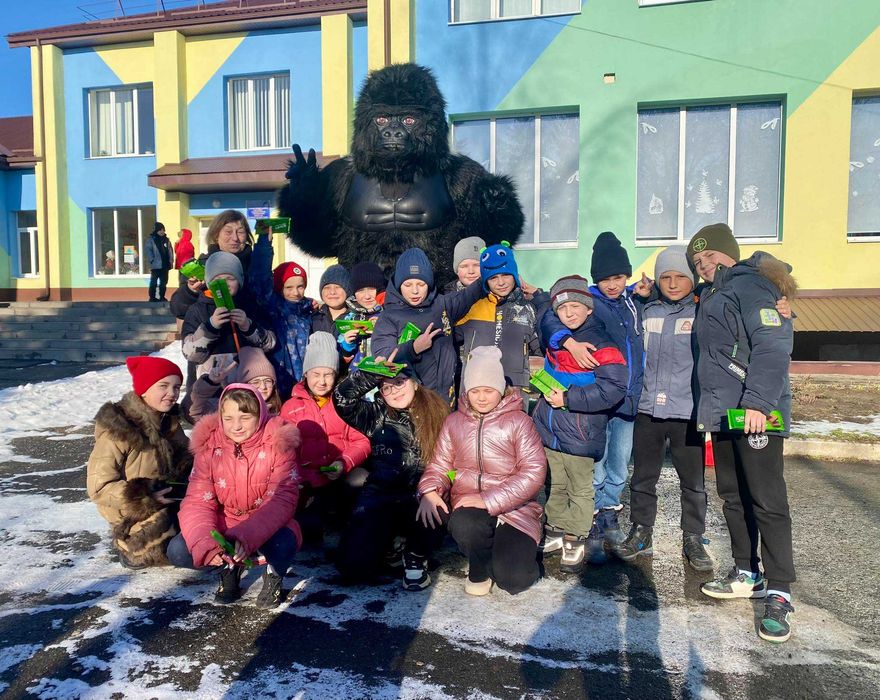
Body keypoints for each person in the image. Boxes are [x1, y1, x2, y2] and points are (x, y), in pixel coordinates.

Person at [686, 223, 798, 643]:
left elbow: (771, 342)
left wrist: (757, 402)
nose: (703, 265)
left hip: (756, 413)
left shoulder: (749, 284)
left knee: (767, 501)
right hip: (727, 413)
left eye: (710, 256)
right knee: (732, 496)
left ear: (728, 254)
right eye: (697, 262)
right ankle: (747, 571)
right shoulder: (713, 293)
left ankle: (780, 590)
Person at [609, 247, 712, 571]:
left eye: (680, 277)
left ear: (691, 279)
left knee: (692, 482)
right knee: (642, 478)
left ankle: (693, 538)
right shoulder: (646, 310)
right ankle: (642, 533)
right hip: (648, 409)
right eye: (665, 277)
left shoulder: (701, 312)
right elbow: (616, 308)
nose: (672, 283)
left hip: (688, 412)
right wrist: (635, 294)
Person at [541, 231, 644, 548]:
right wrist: (568, 341)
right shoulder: (589, 303)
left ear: (626, 276)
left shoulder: (634, 301)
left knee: (618, 463)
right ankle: (592, 518)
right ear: (594, 280)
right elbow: (549, 316)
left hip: (626, 398)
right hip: (596, 399)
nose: (612, 284)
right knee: (594, 465)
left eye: (618, 277)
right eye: (604, 278)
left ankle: (609, 511)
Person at [418, 346, 547, 595]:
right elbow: (441, 465)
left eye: (488, 390)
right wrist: (429, 490)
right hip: (469, 508)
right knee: (465, 524)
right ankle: (478, 565)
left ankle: (508, 550)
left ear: (500, 389)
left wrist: (487, 499)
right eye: (475, 391)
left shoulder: (519, 421)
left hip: (513, 509)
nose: (482, 397)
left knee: (514, 580)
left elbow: (533, 472)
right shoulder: (454, 422)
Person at [168, 384, 301, 608]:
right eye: (228, 418)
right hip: (226, 519)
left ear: (260, 415)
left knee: (284, 544)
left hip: (267, 522)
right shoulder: (210, 446)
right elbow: (198, 500)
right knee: (179, 550)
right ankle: (229, 567)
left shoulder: (279, 443)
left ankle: (274, 574)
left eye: (245, 417)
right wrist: (207, 543)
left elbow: (281, 499)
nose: (236, 426)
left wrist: (245, 536)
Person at [532, 276, 628, 572]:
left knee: (581, 489)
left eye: (576, 307)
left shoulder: (602, 343)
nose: (569, 313)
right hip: (551, 429)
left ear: (589, 309)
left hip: (580, 430)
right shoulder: (559, 335)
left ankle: (576, 537)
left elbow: (614, 388)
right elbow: (544, 314)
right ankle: (558, 529)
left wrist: (570, 399)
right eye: (563, 309)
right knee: (556, 484)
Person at [332, 352, 450, 589]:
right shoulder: (375, 414)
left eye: (399, 382)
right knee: (352, 569)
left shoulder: (440, 412)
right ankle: (391, 544)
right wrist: (371, 373)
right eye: (386, 387)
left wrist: (435, 489)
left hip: (421, 494)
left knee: (434, 508)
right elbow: (342, 400)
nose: (394, 391)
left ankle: (416, 555)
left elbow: (453, 463)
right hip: (382, 494)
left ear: (414, 383)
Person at [86, 356, 191, 569]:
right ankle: (129, 549)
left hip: (166, 497)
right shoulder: (120, 430)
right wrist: (145, 495)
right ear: (144, 389)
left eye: (177, 387)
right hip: (136, 514)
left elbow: (189, 458)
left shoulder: (167, 421)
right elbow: (99, 486)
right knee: (182, 551)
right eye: (164, 386)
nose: (172, 393)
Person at [280, 332, 371, 541]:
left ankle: (346, 526)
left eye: (328, 374)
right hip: (308, 483)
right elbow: (284, 452)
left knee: (361, 480)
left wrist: (344, 462)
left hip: (340, 476)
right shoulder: (291, 407)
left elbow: (362, 441)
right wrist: (304, 477)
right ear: (306, 375)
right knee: (308, 532)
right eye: (316, 374)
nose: (322, 381)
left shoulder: (345, 403)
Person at [371, 247, 483, 405]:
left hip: (446, 399)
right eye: (408, 285)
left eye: (421, 284)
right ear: (398, 285)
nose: (415, 291)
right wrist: (413, 348)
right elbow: (382, 356)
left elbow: (471, 293)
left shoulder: (443, 304)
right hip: (412, 402)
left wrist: (491, 267)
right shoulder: (389, 317)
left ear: (429, 284)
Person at [170, 210, 256, 392]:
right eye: (228, 231)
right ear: (216, 234)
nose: (235, 238)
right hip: (210, 358)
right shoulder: (201, 266)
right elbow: (178, 307)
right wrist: (190, 290)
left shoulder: (254, 265)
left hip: (248, 359)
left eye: (240, 232)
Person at [455, 241, 549, 391]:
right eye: (493, 278)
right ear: (485, 281)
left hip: (514, 390)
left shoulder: (527, 308)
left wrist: (540, 298)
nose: (500, 282)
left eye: (506, 275)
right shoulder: (472, 307)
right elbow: (445, 341)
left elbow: (546, 346)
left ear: (515, 275)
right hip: (477, 389)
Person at [181, 251, 276, 385]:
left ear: (240, 280)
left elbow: (270, 344)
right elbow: (190, 354)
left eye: (230, 278)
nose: (224, 284)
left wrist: (248, 327)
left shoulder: (251, 306)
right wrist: (210, 327)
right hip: (213, 388)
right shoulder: (197, 310)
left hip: (250, 384)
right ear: (208, 283)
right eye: (217, 280)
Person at [248, 231, 315, 398]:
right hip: (278, 385)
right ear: (280, 288)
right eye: (289, 287)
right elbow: (260, 278)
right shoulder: (274, 307)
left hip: (303, 387)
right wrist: (265, 241)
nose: (296, 292)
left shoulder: (308, 311)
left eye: (300, 286)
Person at [187, 346, 282, 423]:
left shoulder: (280, 410)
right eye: (256, 382)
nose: (263, 387)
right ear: (244, 385)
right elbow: (195, 413)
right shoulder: (228, 407)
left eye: (268, 381)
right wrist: (211, 382)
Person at [337, 262, 387, 370]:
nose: (367, 296)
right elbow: (342, 358)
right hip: (357, 377)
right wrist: (347, 344)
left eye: (371, 289)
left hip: (385, 377)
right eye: (360, 291)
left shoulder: (390, 314)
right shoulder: (348, 318)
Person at [310, 264, 353, 335]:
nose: (332, 292)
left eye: (338, 287)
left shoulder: (357, 318)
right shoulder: (313, 318)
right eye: (327, 287)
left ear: (347, 291)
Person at [146, 222, 173, 302]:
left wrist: (171, 261)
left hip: (165, 265)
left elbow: (170, 251)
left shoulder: (166, 240)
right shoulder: (151, 240)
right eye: (160, 230)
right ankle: (152, 297)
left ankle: (162, 296)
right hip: (155, 265)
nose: (162, 232)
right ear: (156, 230)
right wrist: (152, 260)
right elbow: (148, 250)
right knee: (153, 282)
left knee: (164, 282)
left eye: (163, 230)